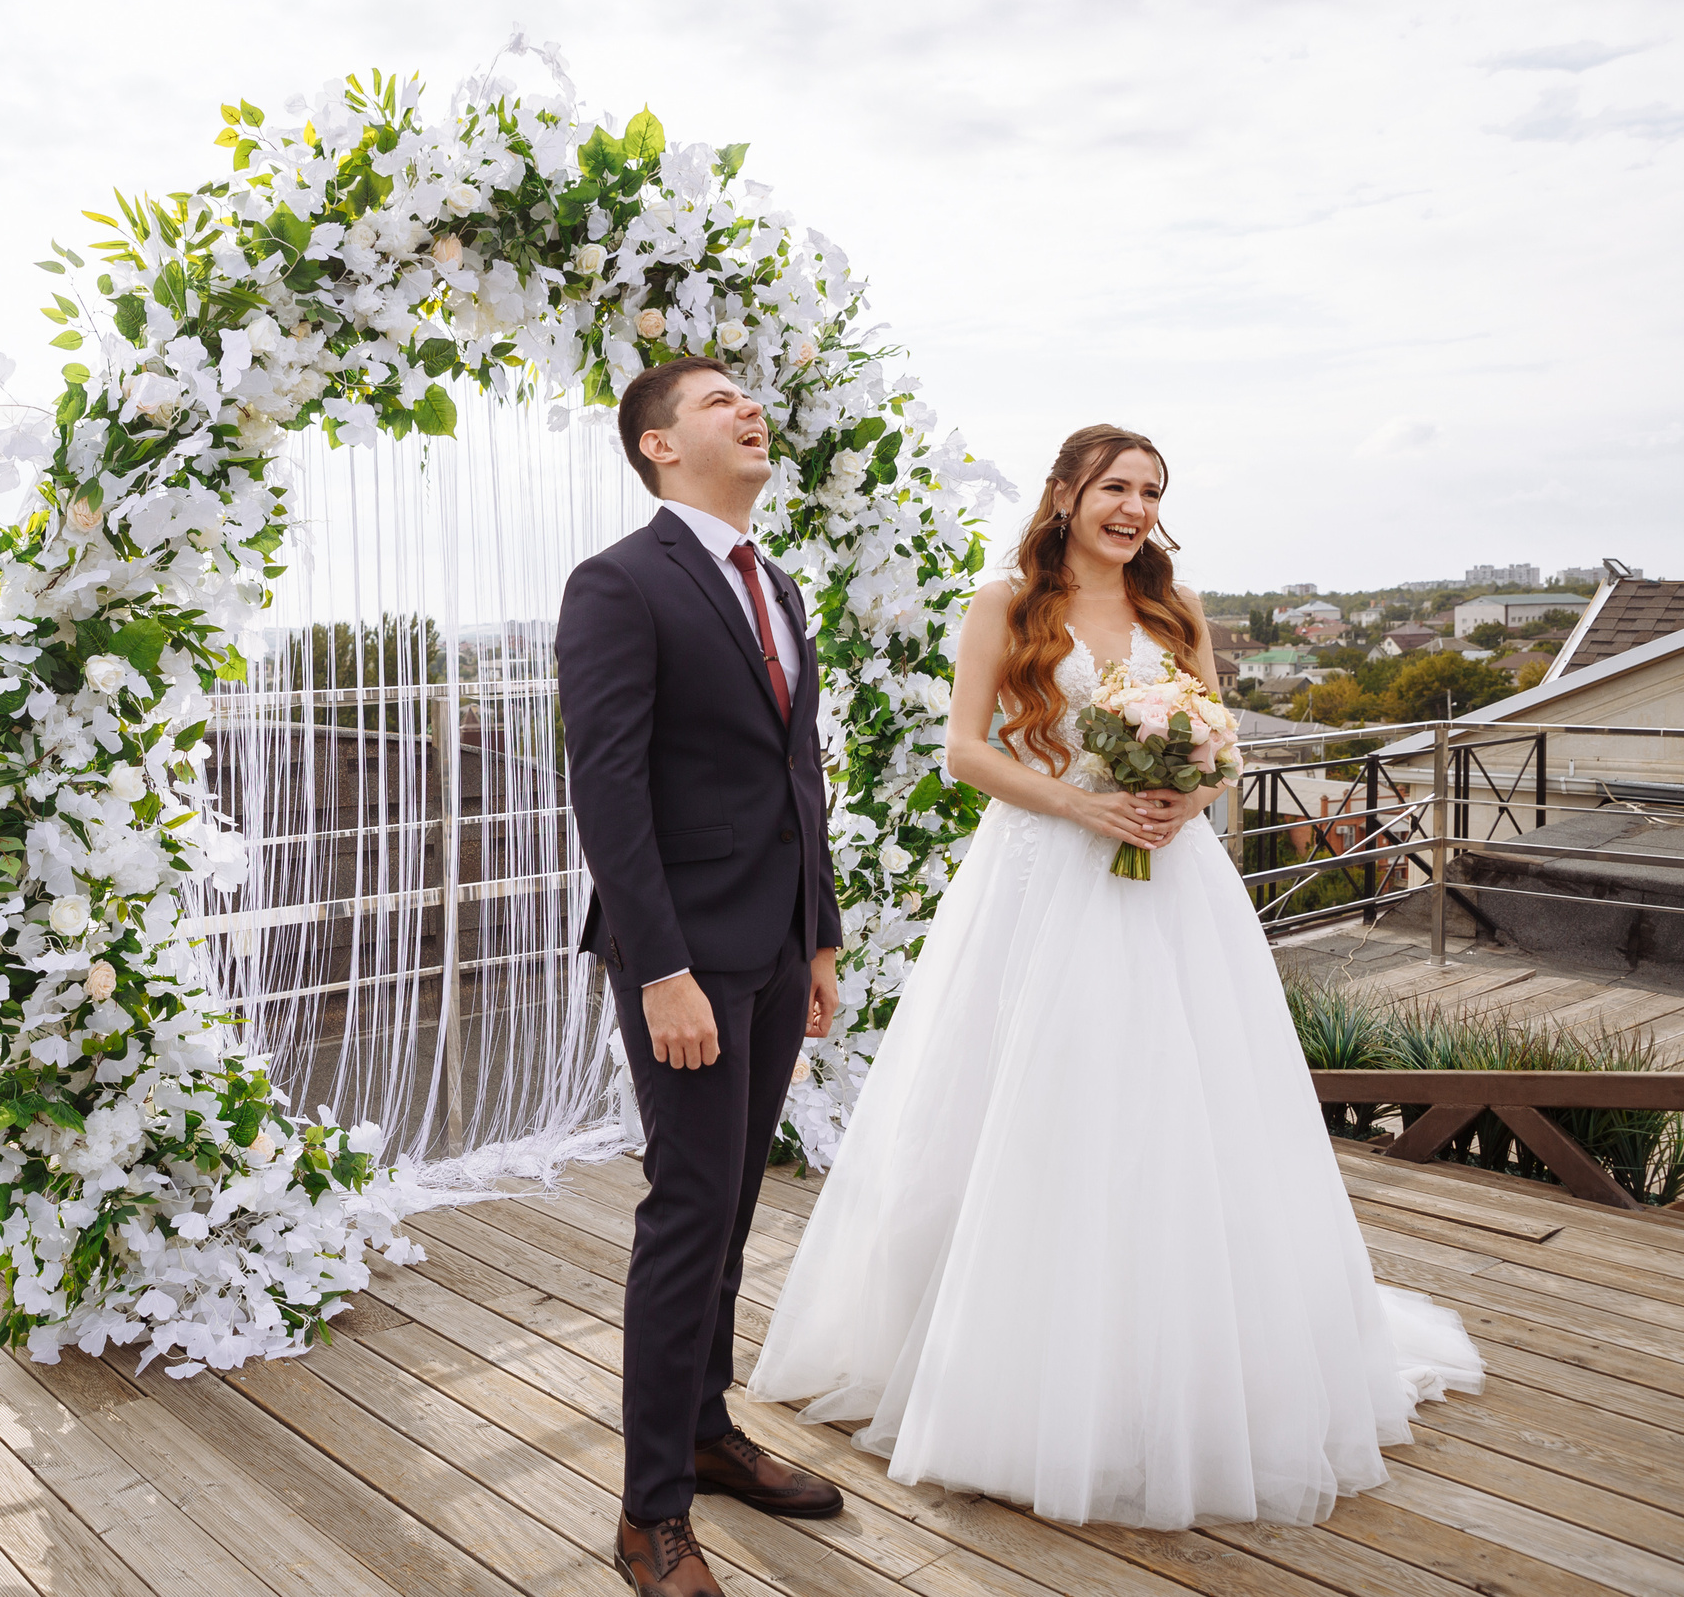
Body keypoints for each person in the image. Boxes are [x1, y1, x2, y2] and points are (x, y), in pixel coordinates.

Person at [746, 424, 1483, 1529]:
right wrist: (1083, 804)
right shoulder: (1003, 608)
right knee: (1038, 1108)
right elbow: (968, 752)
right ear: (1065, 494)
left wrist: (1187, 799)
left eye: (1150, 490)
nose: (1134, 508)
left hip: (1172, 893)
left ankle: (1175, 1366)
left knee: (1179, 1115)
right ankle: (1003, 1370)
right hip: (1043, 876)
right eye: (1114, 487)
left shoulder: (1175, 615)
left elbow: (1218, 746)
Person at [557, 357, 849, 1597]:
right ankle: (647, 1515)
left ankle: (706, 1430)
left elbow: (798, 775)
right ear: (658, 446)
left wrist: (819, 933)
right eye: (718, 399)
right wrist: (660, 968)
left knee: (734, 1205)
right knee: (686, 1212)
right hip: (682, 957)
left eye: (751, 395)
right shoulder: (618, 584)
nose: (748, 408)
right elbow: (607, 791)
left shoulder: (772, 581)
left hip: (775, 944)